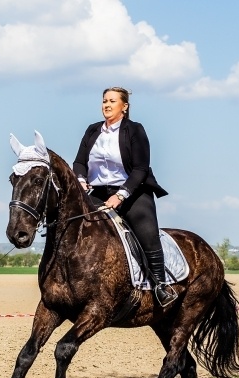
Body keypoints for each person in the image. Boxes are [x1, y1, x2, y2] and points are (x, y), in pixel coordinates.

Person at [72, 87, 177, 307]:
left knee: (146, 233)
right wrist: (81, 179)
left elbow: (140, 169)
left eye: (112, 101)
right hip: (98, 193)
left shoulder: (135, 130)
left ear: (125, 106)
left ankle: (160, 285)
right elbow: (79, 162)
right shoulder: (92, 131)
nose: (106, 105)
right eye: (104, 101)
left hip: (133, 191)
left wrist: (120, 196)